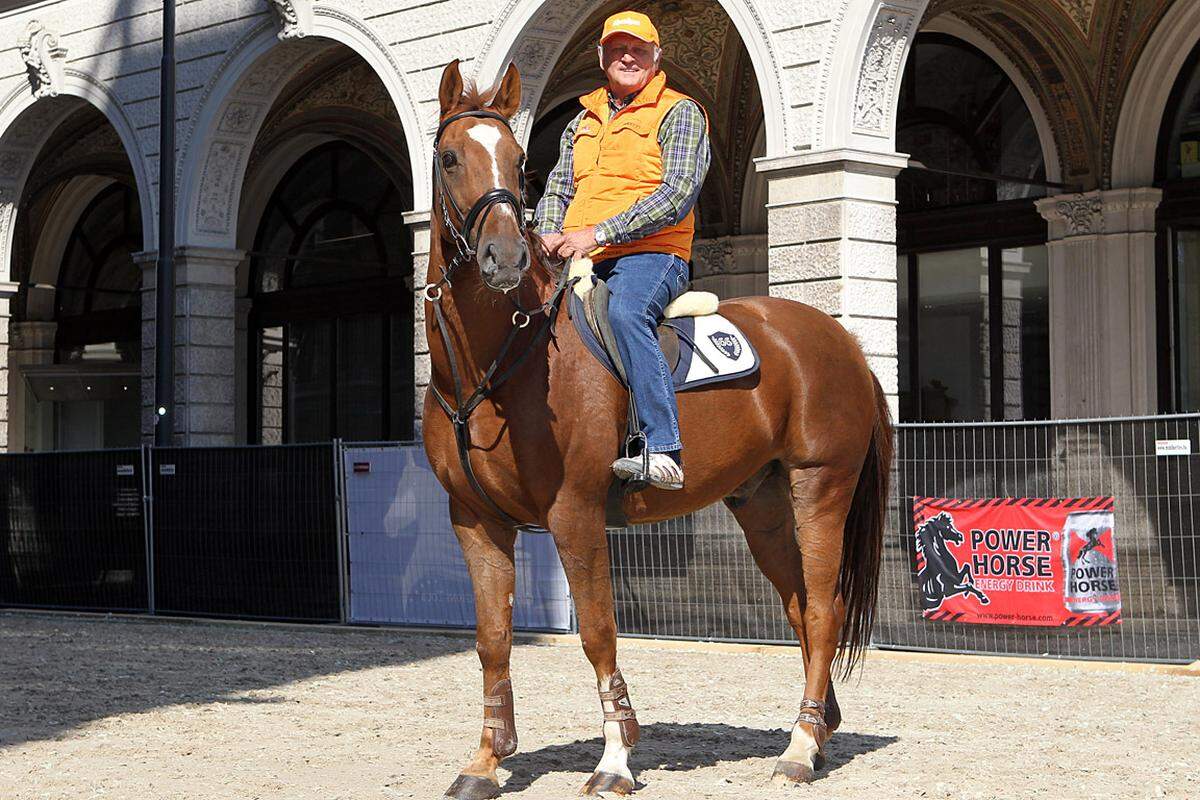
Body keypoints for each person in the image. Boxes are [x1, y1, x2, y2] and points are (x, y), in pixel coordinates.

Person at [534, 10, 711, 491]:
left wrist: (597, 233)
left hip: (653, 256)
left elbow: (676, 196)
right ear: (601, 58)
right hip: (582, 257)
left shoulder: (680, 111)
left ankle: (663, 448)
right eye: (616, 49)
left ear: (656, 57)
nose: (626, 57)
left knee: (628, 313)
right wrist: (548, 230)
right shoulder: (582, 122)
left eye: (637, 49)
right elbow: (555, 189)